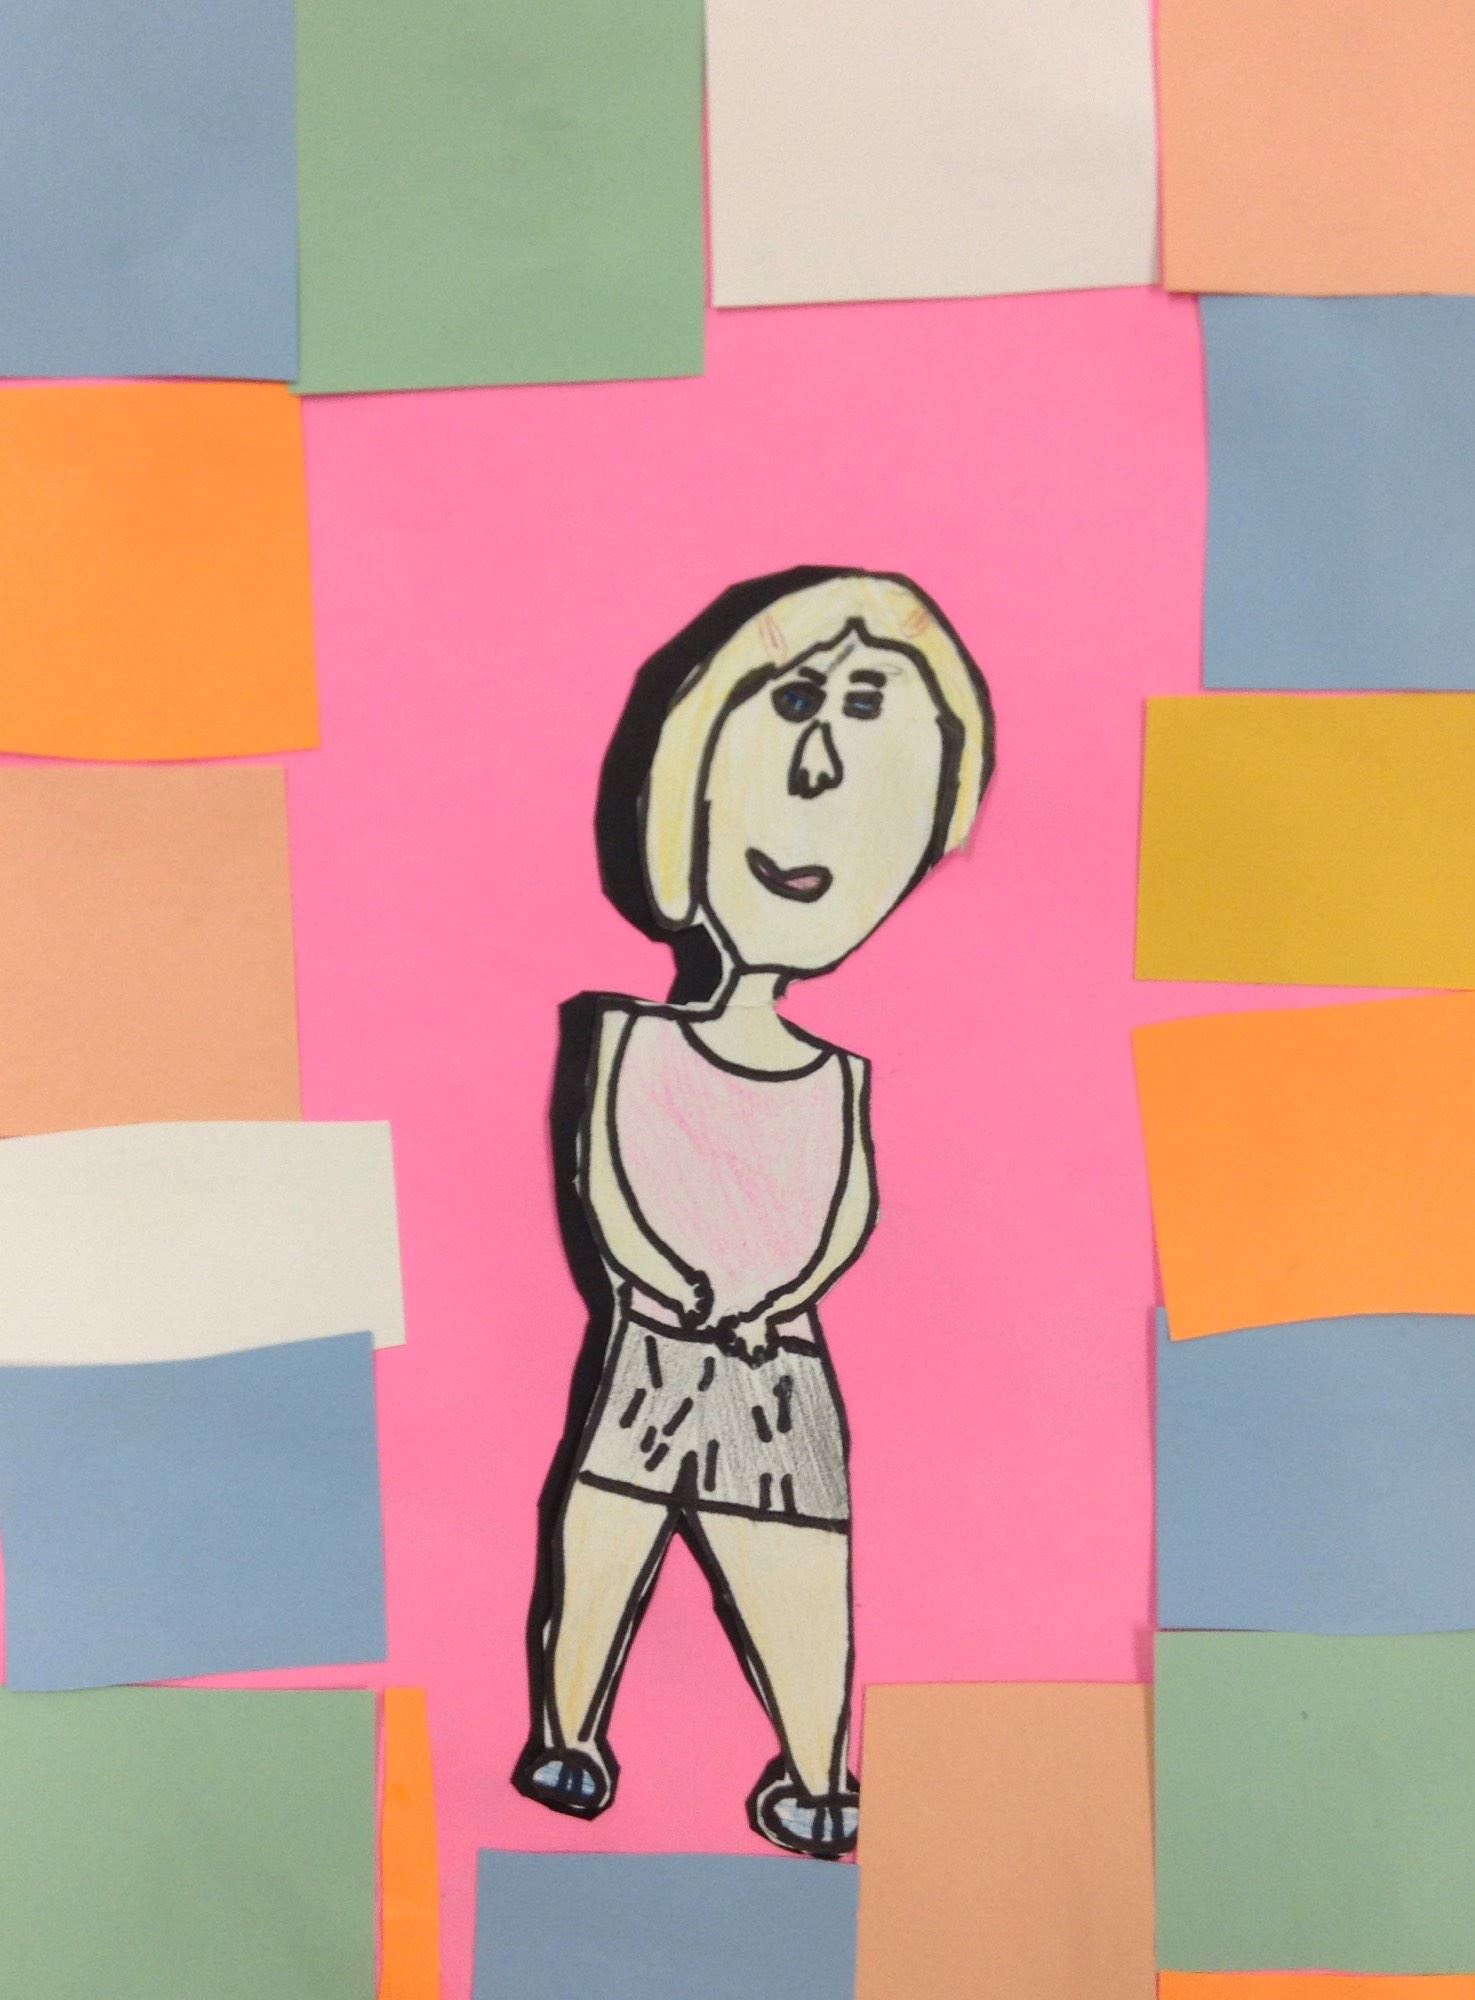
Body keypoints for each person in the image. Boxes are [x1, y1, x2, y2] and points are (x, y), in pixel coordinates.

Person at [514, 565, 994, 1857]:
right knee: (605, 1530)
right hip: (658, 1346)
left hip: (776, 1368)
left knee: (795, 1555)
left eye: (869, 722)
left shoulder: (838, 1077)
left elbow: (845, 1215)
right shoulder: (627, 1040)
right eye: (790, 708)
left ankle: (818, 1773)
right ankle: (569, 1736)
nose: (820, 773)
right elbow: (609, 1183)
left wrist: (775, 1299)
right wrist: (674, 1286)